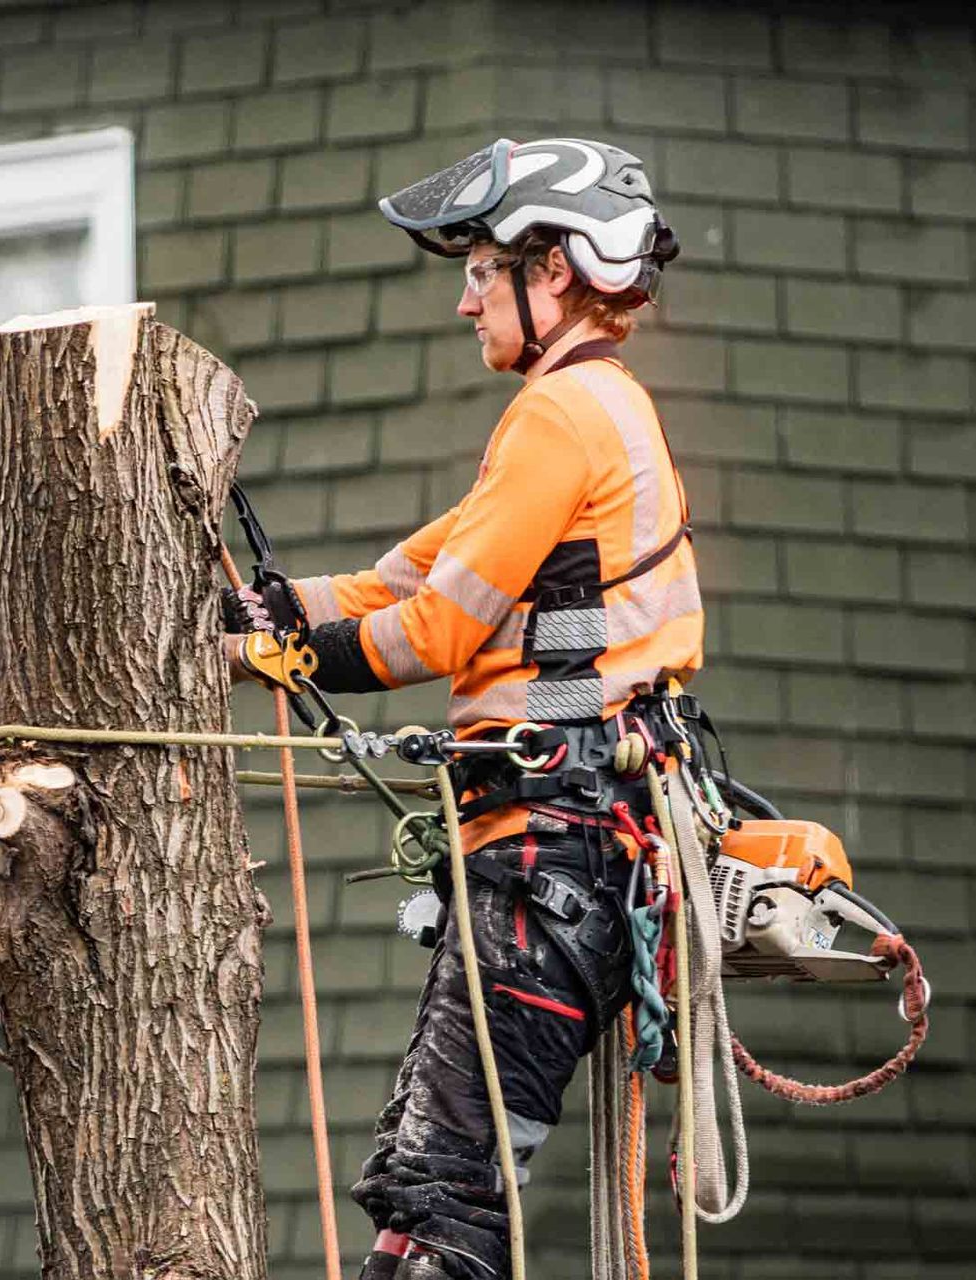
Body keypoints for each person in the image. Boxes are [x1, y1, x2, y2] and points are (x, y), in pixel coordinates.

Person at [224, 137, 694, 1280]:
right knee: (423, 1202)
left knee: (447, 1209)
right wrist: (261, 607)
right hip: (563, 858)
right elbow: (404, 580)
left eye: (485, 269)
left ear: (561, 270)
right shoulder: (590, 411)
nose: (463, 296)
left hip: (548, 859)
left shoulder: (560, 418)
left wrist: (278, 652)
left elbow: (429, 631)